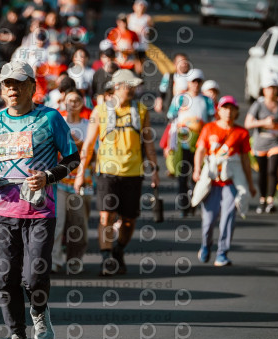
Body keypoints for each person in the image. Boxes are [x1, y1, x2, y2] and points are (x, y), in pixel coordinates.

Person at [0, 61, 80, 339]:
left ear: (32, 86)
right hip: (3, 208)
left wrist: (48, 176)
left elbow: (72, 158)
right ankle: (17, 336)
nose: (13, 89)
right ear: (1, 89)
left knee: (35, 275)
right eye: (7, 84)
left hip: (40, 209)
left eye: (19, 83)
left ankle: (39, 310)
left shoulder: (50, 118)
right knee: (5, 276)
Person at [74, 69, 159, 276]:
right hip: (107, 172)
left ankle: (118, 250)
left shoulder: (141, 110)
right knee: (106, 216)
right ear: (117, 87)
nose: (132, 89)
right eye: (129, 86)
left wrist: (154, 171)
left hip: (133, 172)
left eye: (134, 86)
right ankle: (107, 259)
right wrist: (80, 173)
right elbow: (88, 145)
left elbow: (148, 143)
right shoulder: (100, 111)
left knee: (129, 220)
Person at [193, 96, 256, 266]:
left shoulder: (241, 133)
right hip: (212, 182)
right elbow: (200, 150)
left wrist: (250, 184)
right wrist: (197, 169)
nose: (228, 112)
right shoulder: (209, 128)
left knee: (228, 218)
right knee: (209, 220)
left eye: (231, 109)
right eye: (225, 108)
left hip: (230, 182)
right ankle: (206, 245)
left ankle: (222, 253)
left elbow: (245, 159)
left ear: (236, 111)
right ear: (218, 111)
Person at [51, 89, 92, 273]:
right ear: (64, 103)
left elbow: (94, 153)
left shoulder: (88, 125)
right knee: (57, 224)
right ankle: (54, 261)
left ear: (82, 104)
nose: (73, 104)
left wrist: (78, 144)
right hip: (59, 182)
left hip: (82, 182)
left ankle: (75, 260)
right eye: (70, 100)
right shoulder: (58, 123)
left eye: (77, 100)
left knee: (78, 226)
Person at [166, 68, 211, 216]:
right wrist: (170, 143)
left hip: (200, 144)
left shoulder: (206, 100)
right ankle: (183, 206)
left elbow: (212, 120)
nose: (196, 84)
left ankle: (194, 203)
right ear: (188, 83)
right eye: (193, 81)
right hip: (182, 142)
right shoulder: (180, 99)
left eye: (199, 81)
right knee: (182, 176)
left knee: (198, 176)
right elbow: (172, 119)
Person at [244, 72, 278, 214]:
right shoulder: (258, 105)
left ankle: (271, 200)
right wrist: (264, 122)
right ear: (263, 90)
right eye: (269, 88)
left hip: (276, 142)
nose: (272, 91)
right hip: (261, 142)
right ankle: (262, 199)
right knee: (263, 172)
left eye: (274, 88)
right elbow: (248, 124)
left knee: (272, 171)